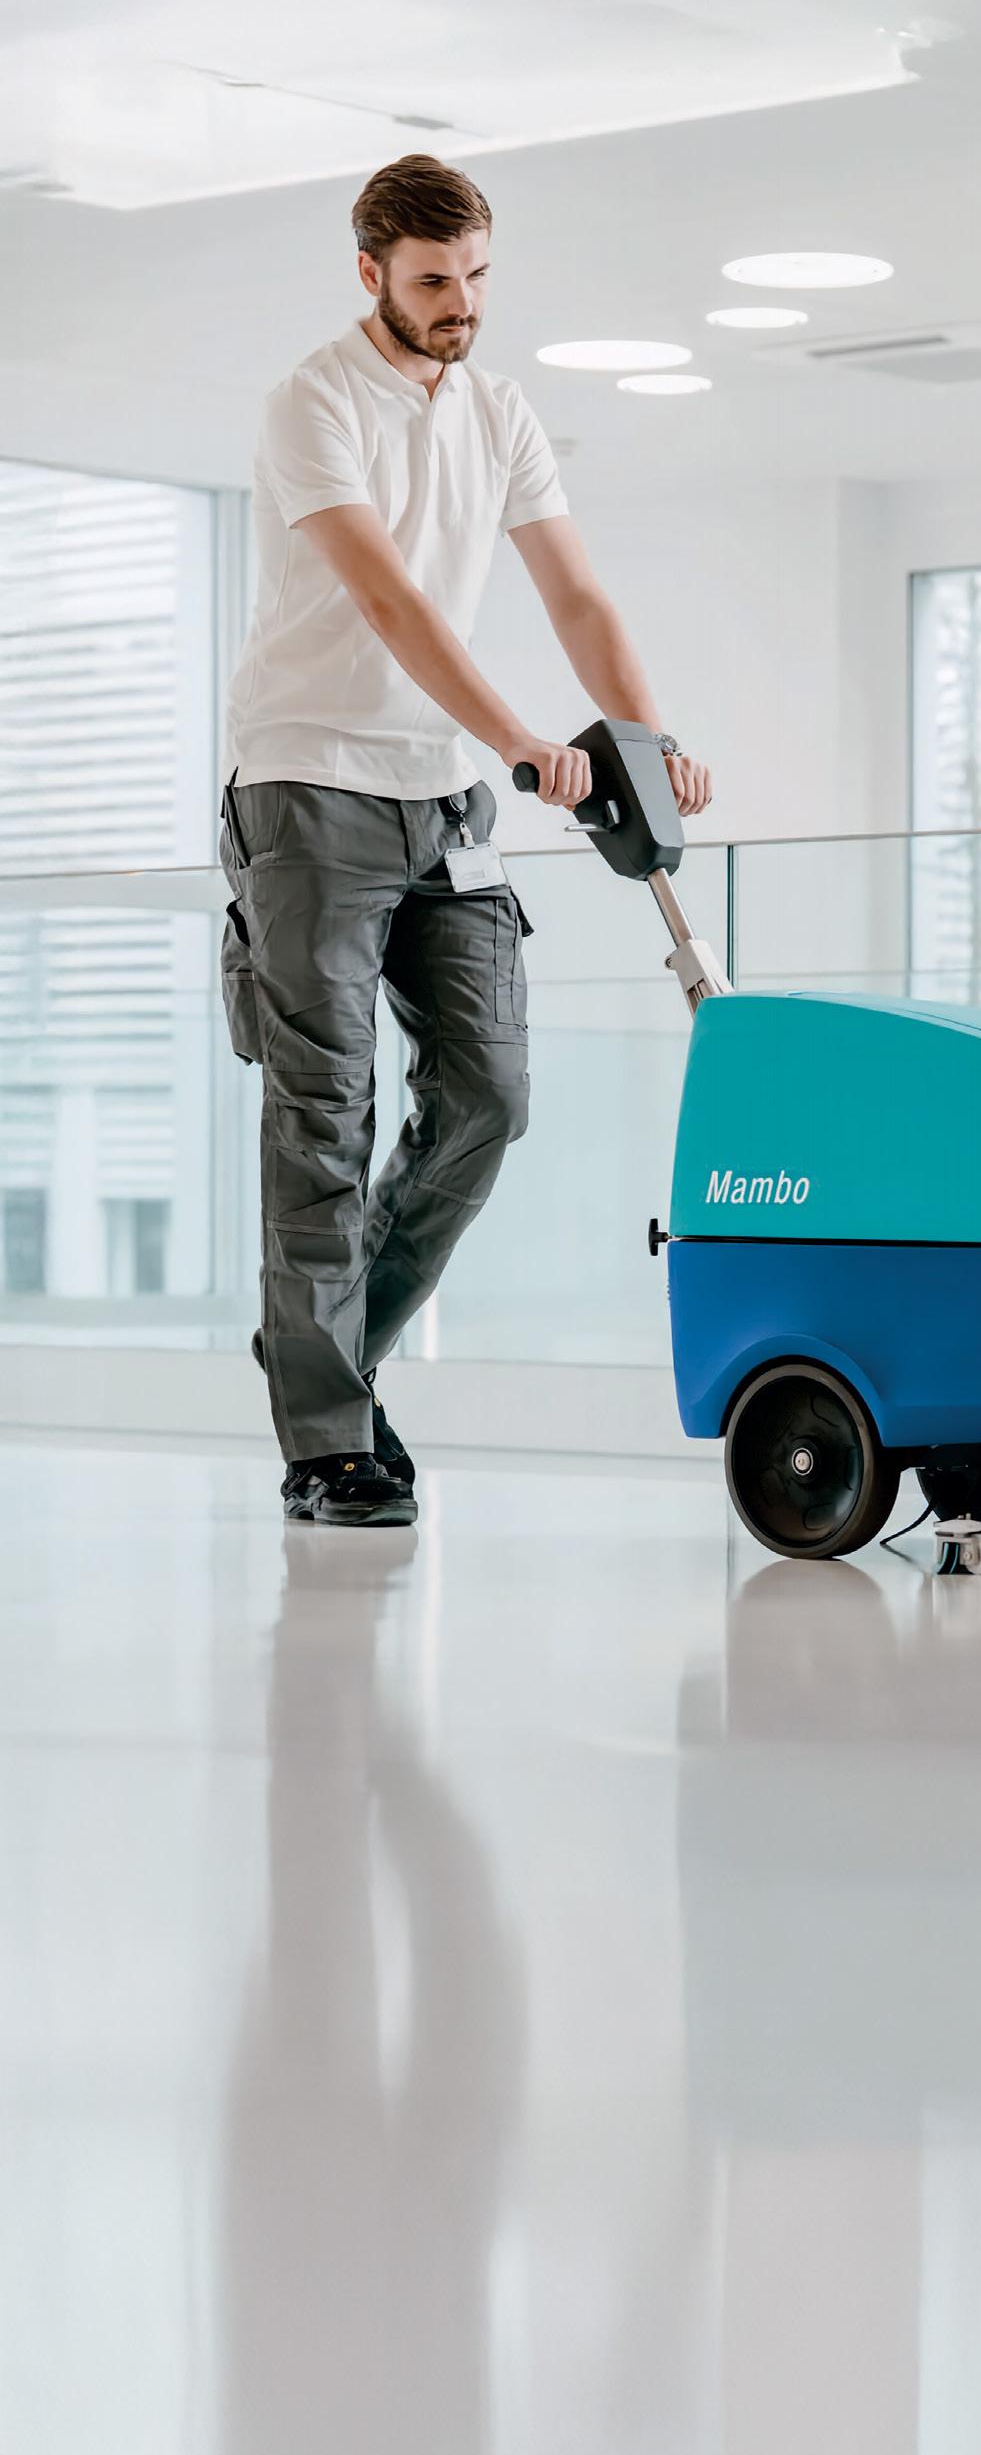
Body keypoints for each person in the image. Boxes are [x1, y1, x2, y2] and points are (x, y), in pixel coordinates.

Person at [222, 152, 713, 1528]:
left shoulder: (498, 411)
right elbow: (390, 602)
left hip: (439, 805)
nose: (464, 303)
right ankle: (327, 1441)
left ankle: (327, 1356)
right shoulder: (315, 401)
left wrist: (649, 744)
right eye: (436, 280)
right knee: (325, 1112)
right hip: (309, 786)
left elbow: (578, 597)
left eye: (479, 276)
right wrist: (519, 741)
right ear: (371, 270)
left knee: (490, 1095)